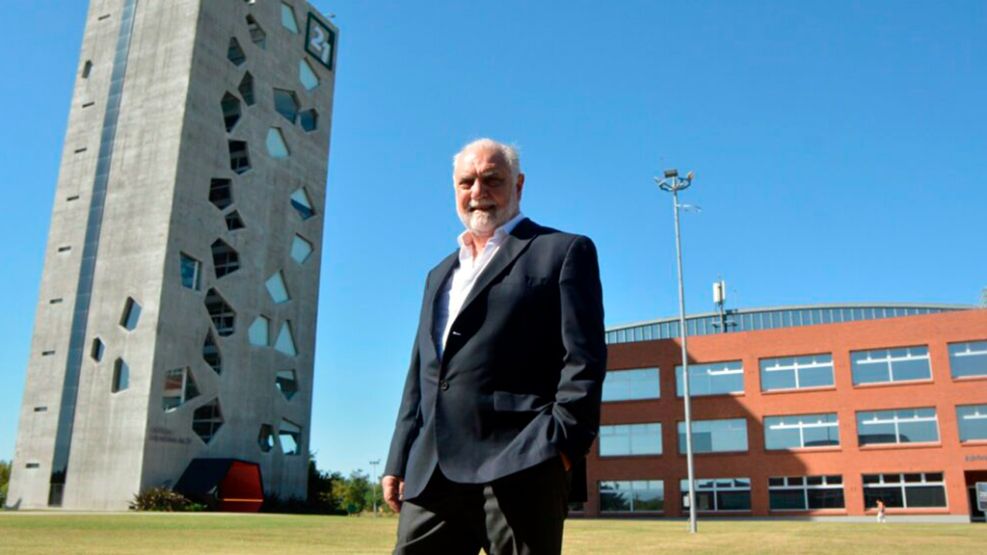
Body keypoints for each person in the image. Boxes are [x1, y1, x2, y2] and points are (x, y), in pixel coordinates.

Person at [381, 138, 607, 554]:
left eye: (492, 179)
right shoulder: (439, 274)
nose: (478, 192)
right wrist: (399, 458)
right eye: (467, 182)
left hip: (522, 461)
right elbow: (422, 373)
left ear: (518, 185)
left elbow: (585, 360)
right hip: (433, 472)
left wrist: (561, 446)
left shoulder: (562, 252)